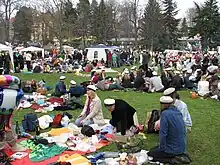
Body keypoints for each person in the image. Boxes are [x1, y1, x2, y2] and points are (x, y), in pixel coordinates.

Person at [147, 96, 186, 163]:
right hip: (182, 147)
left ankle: (172, 159)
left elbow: (163, 134)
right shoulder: (178, 112)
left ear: (163, 105)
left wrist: (162, 149)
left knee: (151, 153)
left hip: (173, 149)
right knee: (155, 149)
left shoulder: (165, 114)